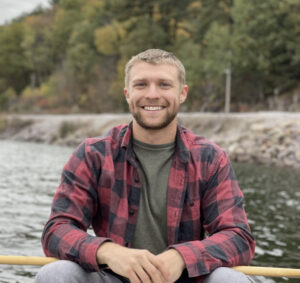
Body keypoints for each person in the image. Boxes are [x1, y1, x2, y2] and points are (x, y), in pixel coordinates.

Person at [35, 49, 256, 283]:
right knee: (56, 274)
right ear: (127, 93)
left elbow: (238, 237)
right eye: (141, 85)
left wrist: (181, 257)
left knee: (230, 280)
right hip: (112, 278)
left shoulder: (210, 158)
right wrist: (109, 252)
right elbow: (56, 230)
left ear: (182, 93)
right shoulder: (93, 155)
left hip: (185, 279)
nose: (152, 94)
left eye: (164, 84)